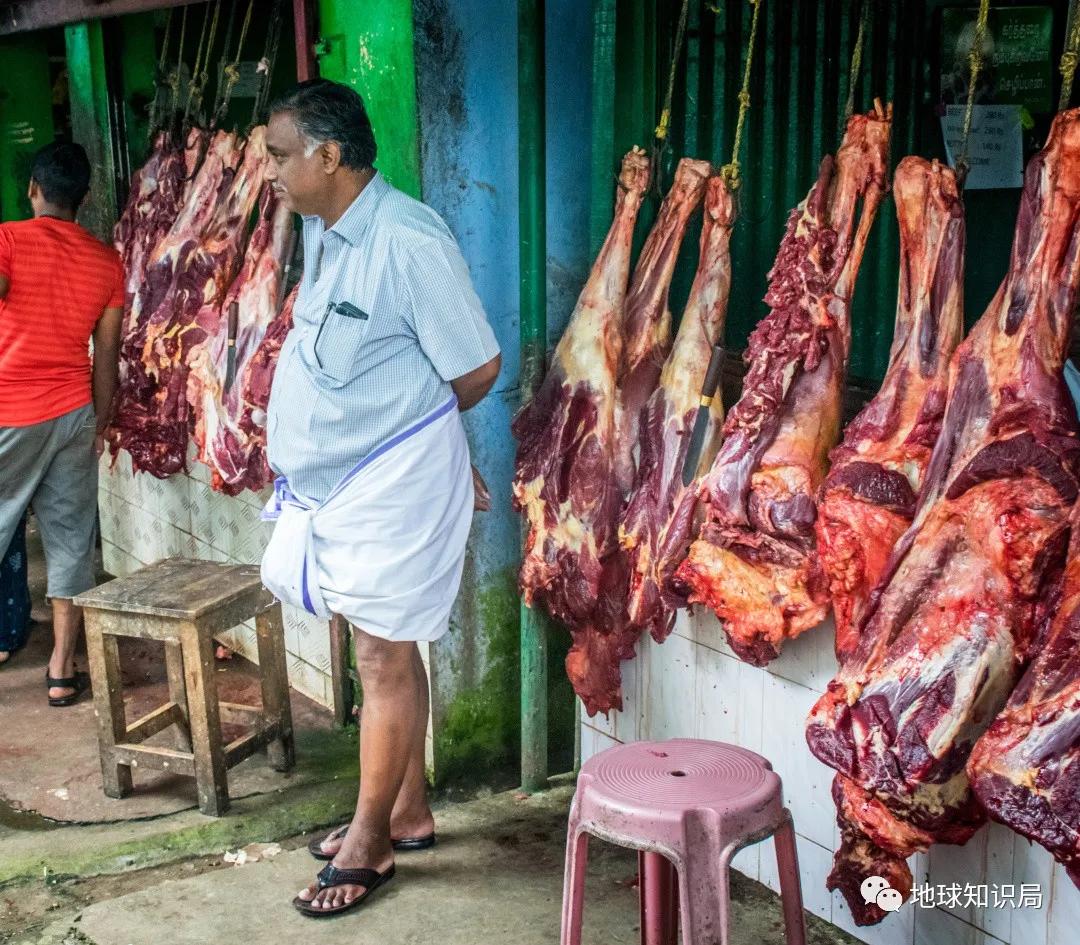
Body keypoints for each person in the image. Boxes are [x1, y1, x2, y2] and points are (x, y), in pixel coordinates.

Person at [260, 79, 500, 917]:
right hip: (344, 490)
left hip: (389, 484)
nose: (273, 173)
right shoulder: (327, 233)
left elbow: (476, 367)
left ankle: (372, 843)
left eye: (281, 156)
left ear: (330, 156)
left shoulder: (407, 237)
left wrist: (420, 446)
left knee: (381, 658)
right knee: (388, 649)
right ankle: (408, 808)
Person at [0, 141, 123, 705]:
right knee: (72, 542)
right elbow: (107, 354)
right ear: (85, 198)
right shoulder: (105, 262)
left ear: (33, 189)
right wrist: (98, 422)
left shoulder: (7, 239)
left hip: (11, 413)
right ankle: (60, 672)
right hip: (73, 414)